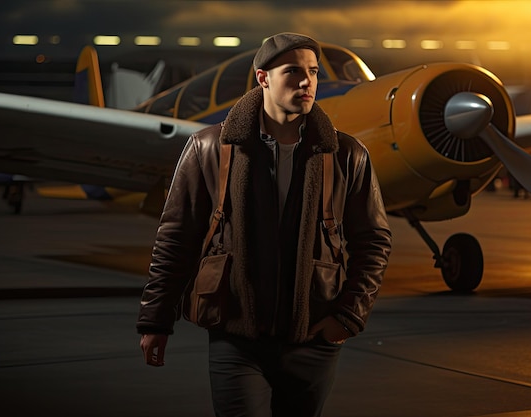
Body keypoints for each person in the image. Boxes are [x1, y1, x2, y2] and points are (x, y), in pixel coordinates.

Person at [137, 32, 392, 417]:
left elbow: (374, 241)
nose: (307, 81)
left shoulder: (348, 155)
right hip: (235, 338)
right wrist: (156, 319)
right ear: (263, 78)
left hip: (314, 338)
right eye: (293, 72)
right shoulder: (208, 148)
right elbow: (176, 237)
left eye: (313, 72)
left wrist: (347, 316)